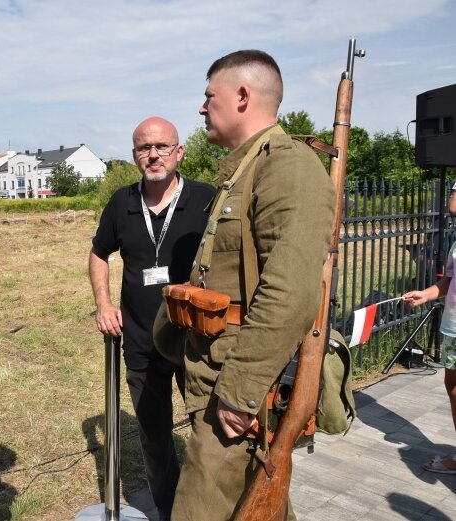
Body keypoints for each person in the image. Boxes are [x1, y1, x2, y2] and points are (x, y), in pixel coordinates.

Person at [154, 51, 335, 520]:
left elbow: (291, 291)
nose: (201, 107)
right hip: (220, 375)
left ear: (241, 96)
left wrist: (242, 391)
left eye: (208, 96)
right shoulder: (245, 169)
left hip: (240, 386)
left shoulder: (287, 165)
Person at [89, 116, 215, 521]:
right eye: (145, 147)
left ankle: (210, 507)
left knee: (208, 432)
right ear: (134, 156)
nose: (154, 154)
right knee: (155, 436)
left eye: (162, 146)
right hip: (142, 343)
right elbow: (98, 254)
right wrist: (104, 305)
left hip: (197, 342)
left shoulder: (206, 199)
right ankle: (169, 510)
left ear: (179, 152)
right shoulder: (121, 204)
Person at [403, 241, 456, 474]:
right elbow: (450, 280)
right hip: (453, 328)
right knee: (453, 388)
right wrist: (425, 295)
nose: (452, 207)